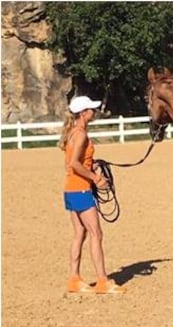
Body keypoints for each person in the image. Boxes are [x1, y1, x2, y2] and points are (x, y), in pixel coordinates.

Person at [60, 95, 125, 295]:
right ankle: (102, 281)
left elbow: (72, 162)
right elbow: (74, 164)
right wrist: (95, 178)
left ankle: (74, 278)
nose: (93, 112)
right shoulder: (81, 135)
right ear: (83, 113)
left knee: (80, 233)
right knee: (96, 234)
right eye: (91, 109)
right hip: (81, 188)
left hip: (71, 188)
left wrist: (93, 163)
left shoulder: (72, 132)